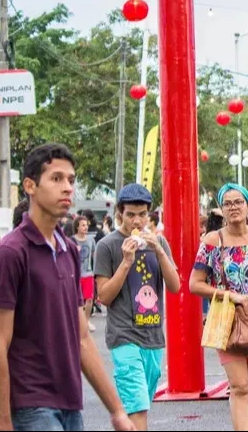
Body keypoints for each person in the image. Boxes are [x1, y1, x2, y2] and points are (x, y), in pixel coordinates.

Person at [0, 143, 133, 432]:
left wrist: (117, 411)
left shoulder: (67, 249)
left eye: (71, 180)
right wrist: (3, 424)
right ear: (30, 185)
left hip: (70, 402)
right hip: (31, 403)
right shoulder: (11, 252)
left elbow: (81, 339)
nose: (67, 188)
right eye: (56, 179)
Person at [190, 182, 248, 431]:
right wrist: (228, 295)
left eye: (238, 202)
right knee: (240, 386)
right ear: (221, 209)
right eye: (228, 203)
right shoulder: (213, 240)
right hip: (227, 319)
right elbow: (195, 284)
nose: (234, 207)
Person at [94, 183, 181, 430]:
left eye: (142, 214)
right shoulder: (107, 246)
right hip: (124, 337)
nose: (137, 221)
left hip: (153, 337)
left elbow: (175, 287)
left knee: (138, 408)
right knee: (138, 408)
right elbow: (104, 297)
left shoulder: (159, 243)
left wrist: (159, 251)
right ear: (120, 213)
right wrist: (126, 262)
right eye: (130, 214)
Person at [73, 215, 98, 333]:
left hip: (88, 273)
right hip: (75, 275)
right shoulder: (72, 240)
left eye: (86, 225)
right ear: (77, 227)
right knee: (77, 301)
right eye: (83, 225)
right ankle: (77, 322)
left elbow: (94, 256)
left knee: (89, 299)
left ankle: (86, 320)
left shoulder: (91, 240)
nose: (86, 227)